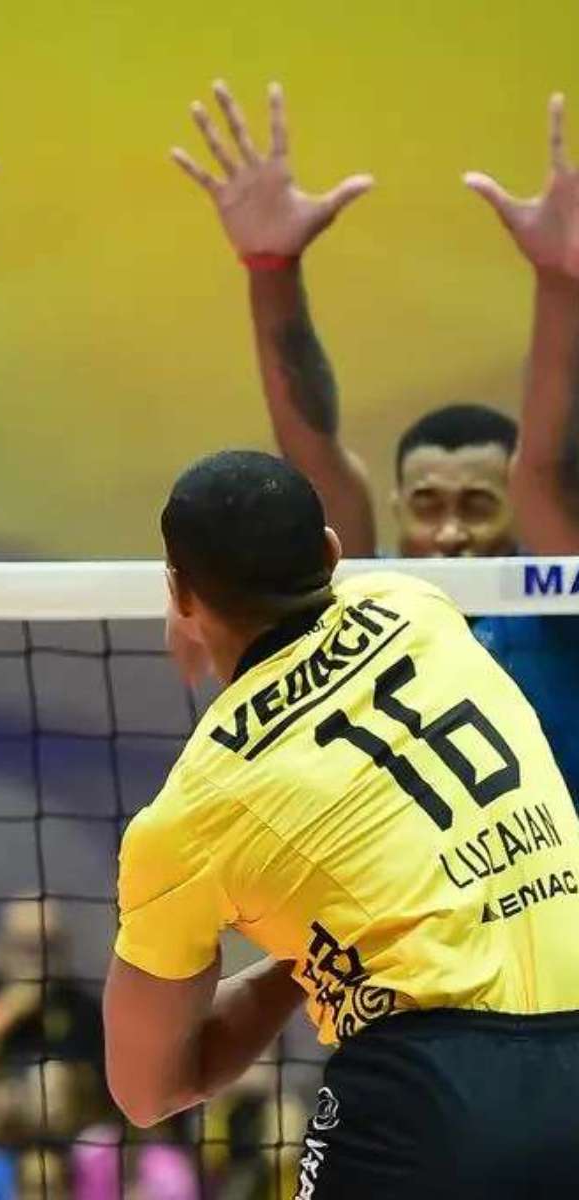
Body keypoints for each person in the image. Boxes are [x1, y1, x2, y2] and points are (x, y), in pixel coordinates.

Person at [104, 450, 579, 1196]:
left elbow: (150, 1088)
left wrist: (312, 959)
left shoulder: (189, 816)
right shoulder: (418, 605)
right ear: (331, 550)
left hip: (434, 1099)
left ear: (181, 595)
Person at [169, 80, 579, 801]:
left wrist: (560, 282)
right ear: (394, 508)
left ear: (515, 513)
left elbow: (544, 466)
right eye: (427, 504)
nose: (450, 531)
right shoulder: (360, 597)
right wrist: (270, 272)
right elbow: (312, 448)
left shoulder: (555, 605)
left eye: (478, 505)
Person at [0, 897, 104, 1093]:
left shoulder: (85, 1009)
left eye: (48, 945)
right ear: (3, 945)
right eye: (26, 947)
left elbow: (104, 1089)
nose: (38, 957)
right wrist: (0, 1018)